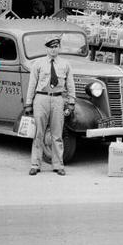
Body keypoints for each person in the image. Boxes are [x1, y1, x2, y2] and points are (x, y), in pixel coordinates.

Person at [23, 35, 76, 176]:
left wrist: (71, 102)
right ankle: (35, 164)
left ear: (59, 48)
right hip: (41, 98)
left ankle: (58, 165)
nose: (54, 50)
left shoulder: (65, 64)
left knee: (57, 134)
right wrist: (28, 103)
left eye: (56, 47)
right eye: (51, 47)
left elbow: (70, 85)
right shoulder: (38, 64)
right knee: (39, 133)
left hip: (58, 99)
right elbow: (32, 84)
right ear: (46, 48)